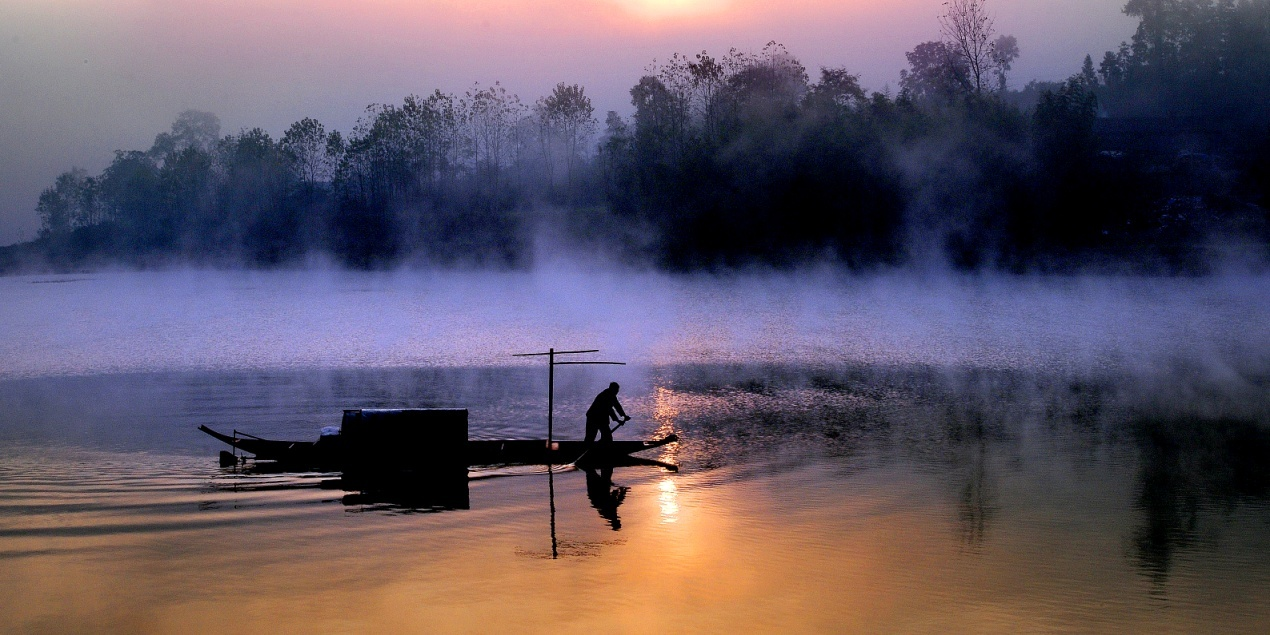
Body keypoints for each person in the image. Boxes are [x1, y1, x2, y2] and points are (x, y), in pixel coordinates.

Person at [584, 381, 628, 446]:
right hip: (593, 418)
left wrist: (624, 415)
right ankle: (586, 448)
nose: (617, 392)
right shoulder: (605, 395)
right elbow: (609, 410)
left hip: (601, 419)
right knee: (591, 437)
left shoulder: (612, 396)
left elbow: (617, 406)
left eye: (617, 390)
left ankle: (602, 449)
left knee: (607, 437)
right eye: (616, 390)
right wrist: (618, 420)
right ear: (612, 389)